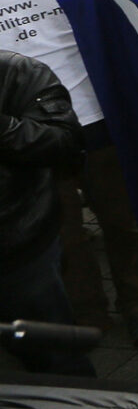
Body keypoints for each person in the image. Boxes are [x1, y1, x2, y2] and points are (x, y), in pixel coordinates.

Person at [0, 0, 138, 347]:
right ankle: (88, 317)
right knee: (62, 235)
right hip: (27, 137)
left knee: (123, 220)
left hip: (96, 119)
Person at [0, 41, 91, 376]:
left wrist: (5, 128)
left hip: (19, 252)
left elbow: (66, 146)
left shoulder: (16, 72)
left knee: (55, 361)